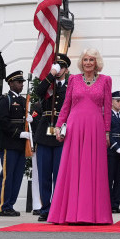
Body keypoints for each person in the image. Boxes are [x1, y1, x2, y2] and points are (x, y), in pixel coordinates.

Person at [48, 48, 114, 224]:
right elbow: (66, 105)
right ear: (81, 62)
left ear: (96, 62)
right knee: (73, 167)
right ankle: (68, 214)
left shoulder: (106, 80)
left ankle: (94, 214)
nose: (88, 63)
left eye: (91, 59)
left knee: (93, 168)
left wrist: (107, 132)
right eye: (85, 59)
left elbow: (107, 108)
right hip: (75, 127)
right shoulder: (74, 80)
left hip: (96, 128)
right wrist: (59, 125)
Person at [32, 54, 69, 221]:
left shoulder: (70, 85)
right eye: (56, 66)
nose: (58, 69)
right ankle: (45, 208)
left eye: (61, 67)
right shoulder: (48, 84)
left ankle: (58, 207)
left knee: (59, 174)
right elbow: (37, 92)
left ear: (66, 69)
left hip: (62, 133)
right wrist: (50, 75)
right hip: (45, 132)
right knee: (44, 174)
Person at [0, 70, 28, 217]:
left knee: (17, 176)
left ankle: (10, 204)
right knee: (7, 176)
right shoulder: (5, 99)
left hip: (20, 145)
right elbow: (2, 121)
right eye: (19, 82)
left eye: (22, 82)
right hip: (9, 143)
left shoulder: (22, 100)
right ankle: (2, 206)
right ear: (11, 83)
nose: (21, 85)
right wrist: (18, 133)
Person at [108, 90, 120, 213]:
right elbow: (107, 135)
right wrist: (116, 147)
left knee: (119, 180)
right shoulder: (108, 116)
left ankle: (115, 204)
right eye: (118, 101)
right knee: (109, 179)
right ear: (111, 101)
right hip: (111, 151)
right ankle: (108, 204)